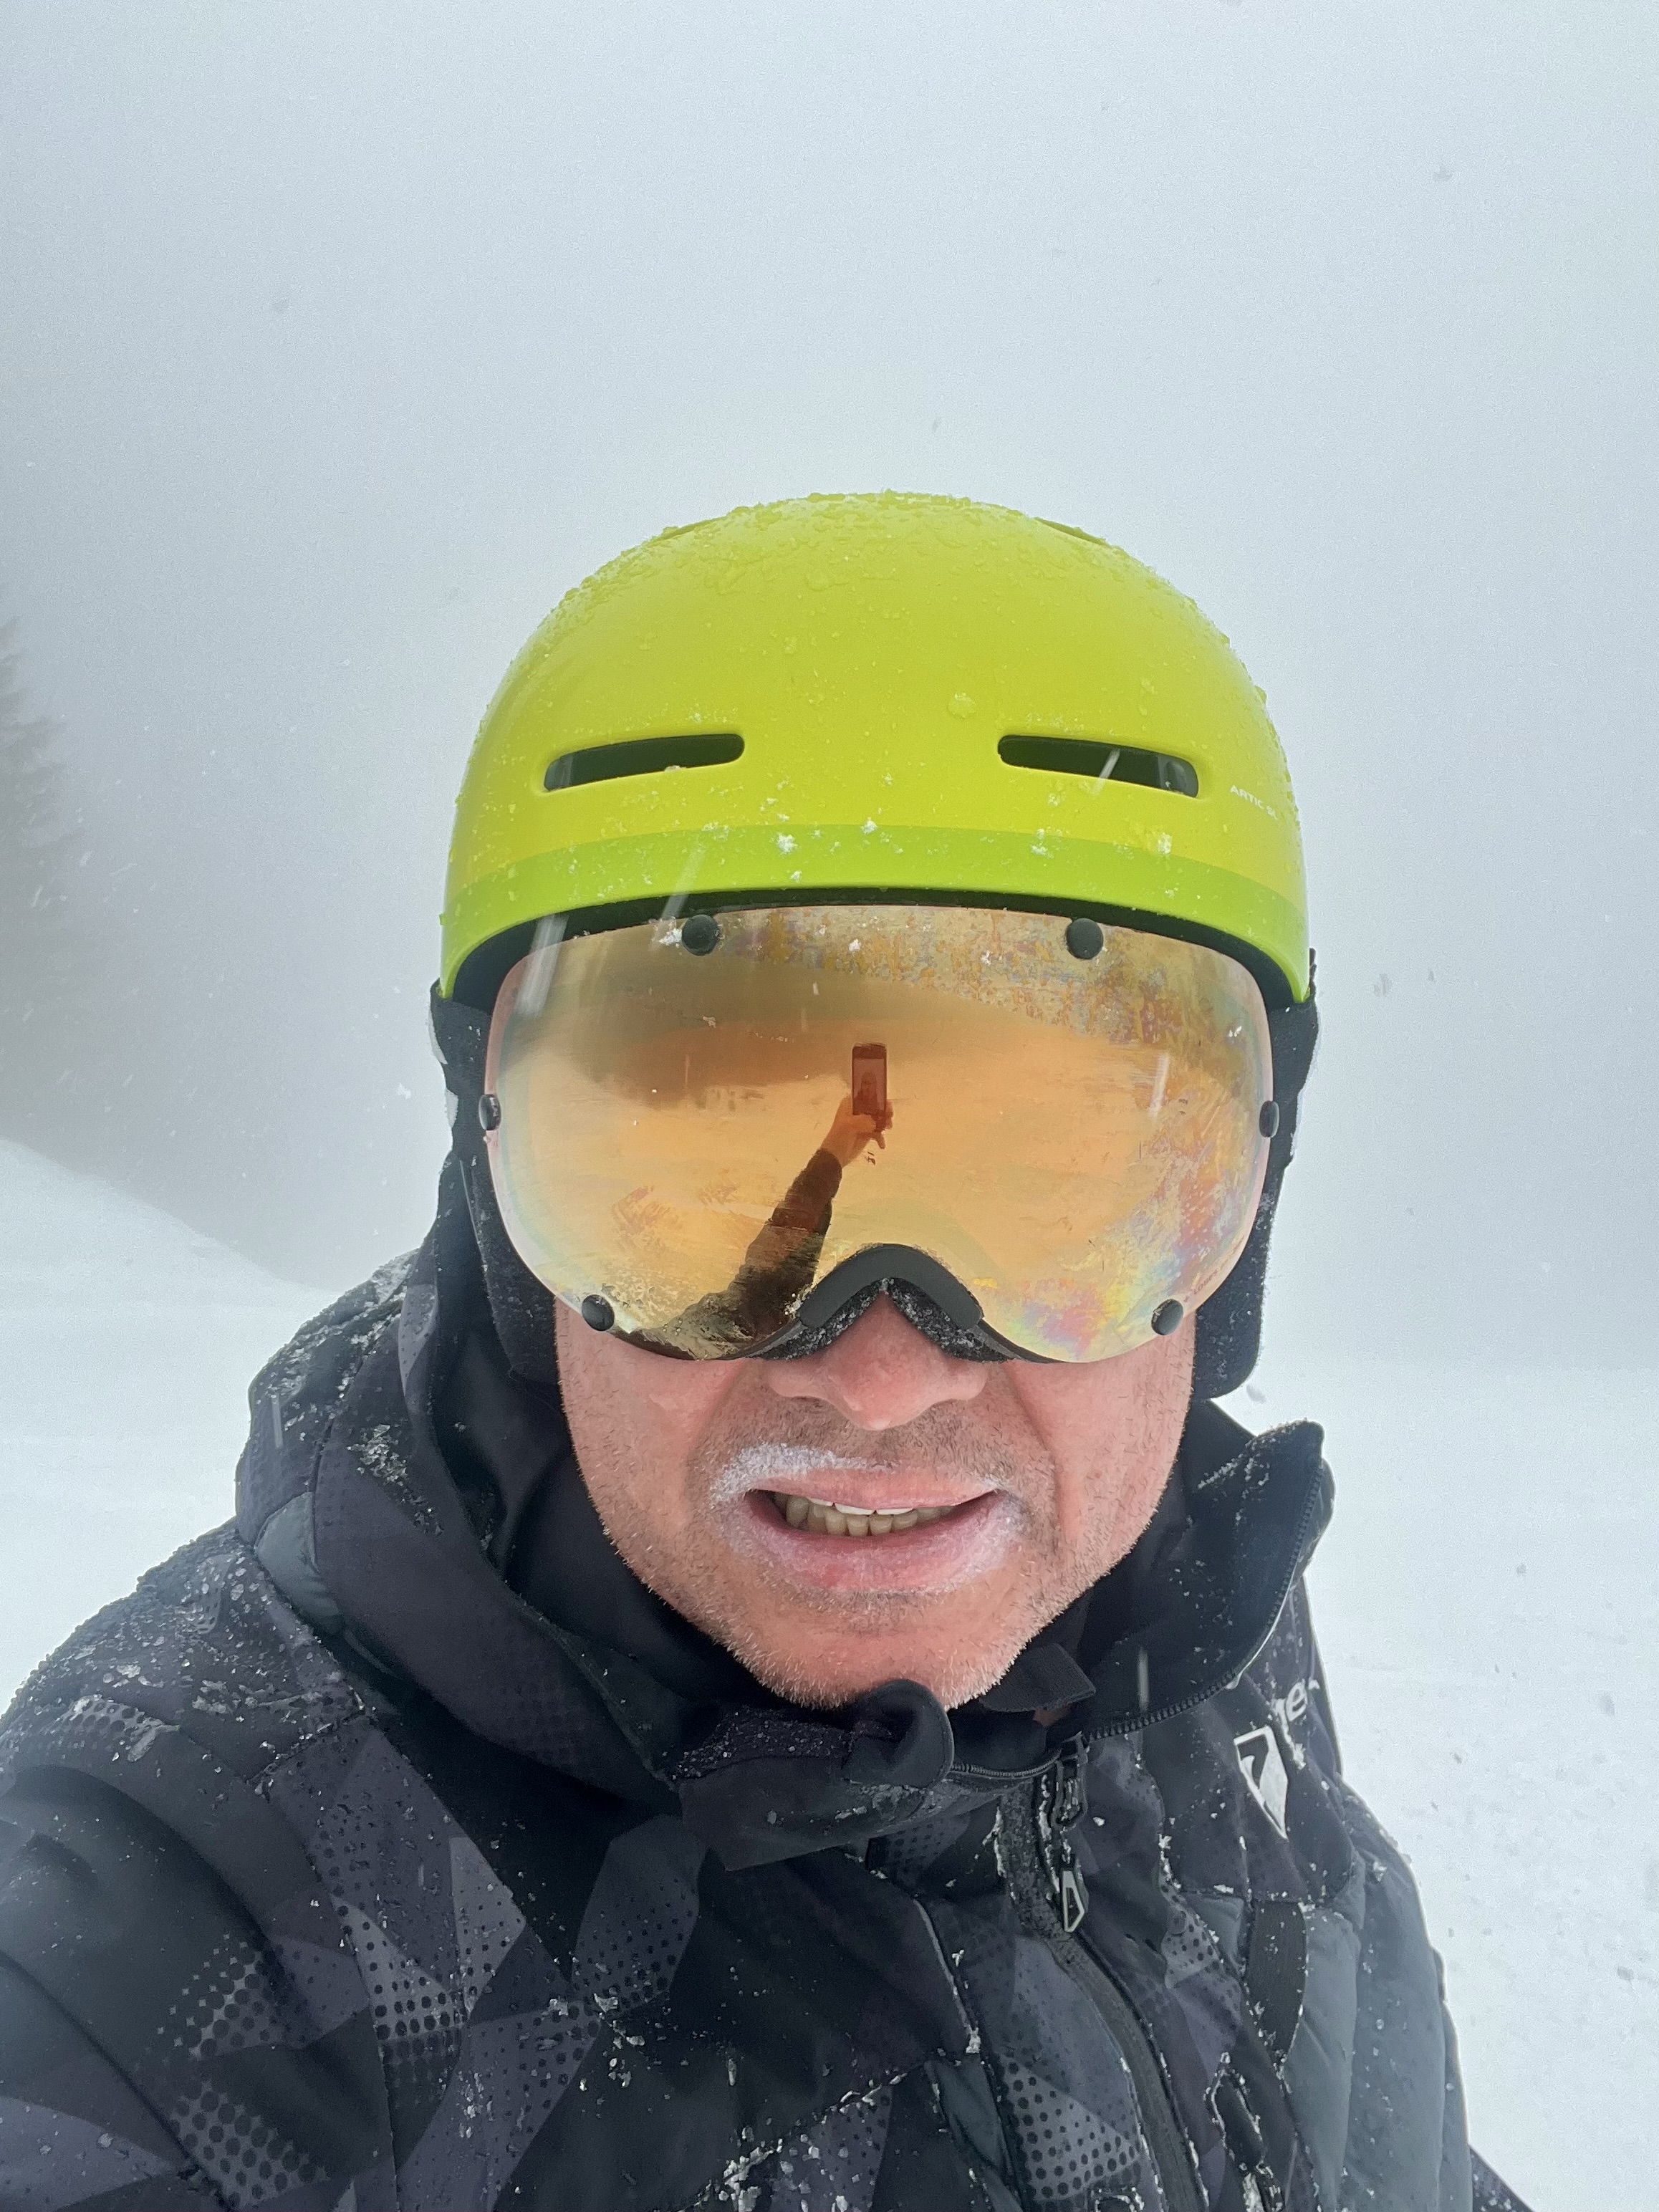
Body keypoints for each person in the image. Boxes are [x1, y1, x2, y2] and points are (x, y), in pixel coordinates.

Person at [0, 494, 1533, 2211]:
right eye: (698, 1182)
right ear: (506, 1212)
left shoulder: (1190, 1643)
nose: (881, 1377)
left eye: (1058, 1178)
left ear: (1237, 1210)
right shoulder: (187, 1936)